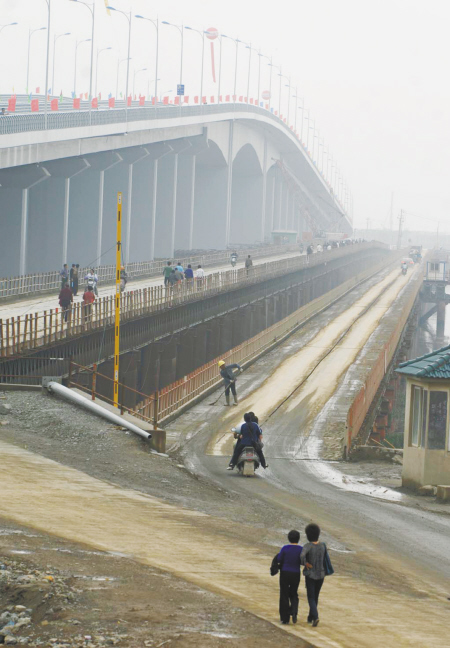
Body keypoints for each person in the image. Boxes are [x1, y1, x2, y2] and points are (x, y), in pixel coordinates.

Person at [301, 523, 326, 627]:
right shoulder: (323, 546)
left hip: (310, 575)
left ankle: (315, 616)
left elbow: (302, 556)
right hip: (321, 574)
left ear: (307, 535)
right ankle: (310, 617)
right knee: (316, 596)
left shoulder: (308, 546)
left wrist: (306, 563)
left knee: (311, 597)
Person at [277, 530, 303, 625]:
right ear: (298, 539)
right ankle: (294, 611)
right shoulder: (301, 549)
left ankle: (285, 618)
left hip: (285, 572)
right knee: (294, 593)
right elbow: (302, 561)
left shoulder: (285, 548)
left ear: (289, 538)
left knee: (284, 594)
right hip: (296, 573)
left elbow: (279, 559)